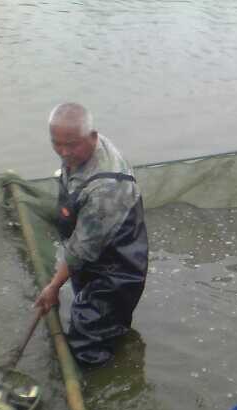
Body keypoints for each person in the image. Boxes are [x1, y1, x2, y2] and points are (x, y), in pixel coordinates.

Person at [33, 103, 148, 367]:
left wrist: (52, 287)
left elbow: (81, 251)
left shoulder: (105, 189)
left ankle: (97, 387)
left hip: (116, 272)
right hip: (94, 256)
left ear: (93, 137)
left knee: (86, 347)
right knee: (102, 325)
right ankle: (120, 345)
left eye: (71, 145)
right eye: (56, 144)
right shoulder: (80, 150)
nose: (64, 152)